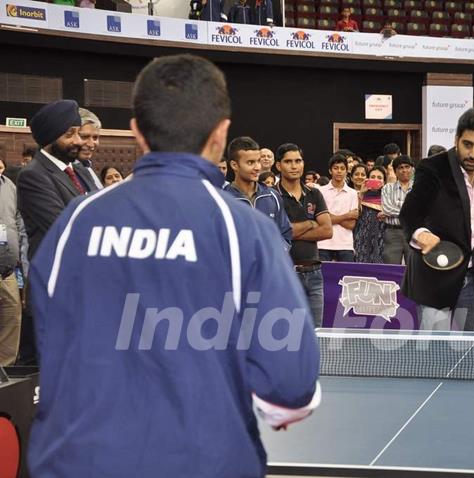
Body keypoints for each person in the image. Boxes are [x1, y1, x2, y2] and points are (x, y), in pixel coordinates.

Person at [27, 54, 320, 477]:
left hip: (75, 461)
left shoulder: (75, 222)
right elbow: (289, 391)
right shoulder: (245, 230)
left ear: (135, 133)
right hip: (201, 461)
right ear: (221, 136)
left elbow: (54, 338)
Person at [400, 107, 474, 332]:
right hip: (434, 277)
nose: (473, 153)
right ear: (456, 139)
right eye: (467, 144)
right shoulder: (433, 168)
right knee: (436, 356)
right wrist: (421, 234)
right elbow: (409, 213)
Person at [18, 99, 99, 260]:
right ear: (50, 138)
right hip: (54, 276)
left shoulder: (81, 170)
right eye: (70, 134)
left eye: (78, 133)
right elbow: (64, 227)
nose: (78, 141)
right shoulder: (33, 176)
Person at [275, 143, 333, 326]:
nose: (294, 166)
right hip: (285, 274)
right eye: (288, 161)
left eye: (298, 161)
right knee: (285, 334)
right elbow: (276, 233)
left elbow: (327, 230)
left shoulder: (314, 193)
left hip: (314, 273)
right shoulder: (271, 196)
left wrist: (290, 231)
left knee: (316, 336)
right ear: (278, 165)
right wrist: (310, 223)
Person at [224, 136, 292, 248]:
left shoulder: (272, 196)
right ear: (234, 165)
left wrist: (275, 256)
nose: (257, 167)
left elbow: (285, 234)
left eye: (258, 161)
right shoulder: (222, 199)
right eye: (250, 163)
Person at [0, 163, 27, 365]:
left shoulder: (8, 185)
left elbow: (17, 219)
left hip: (7, 266)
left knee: (12, 315)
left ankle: (4, 370)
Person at [317, 154, 359, 262]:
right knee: (323, 277)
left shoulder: (353, 193)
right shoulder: (320, 192)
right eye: (336, 168)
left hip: (345, 245)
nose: (339, 171)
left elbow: (351, 224)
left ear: (346, 171)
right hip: (323, 243)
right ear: (330, 171)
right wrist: (347, 215)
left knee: (346, 277)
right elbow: (321, 221)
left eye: (342, 168)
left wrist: (331, 217)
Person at [381, 154, 414, 264]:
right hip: (392, 232)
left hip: (413, 232)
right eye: (400, 168)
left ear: (412, 169)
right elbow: (387, 209)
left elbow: (421, 209)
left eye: (407, 167)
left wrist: (398, 209)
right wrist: (409, 211)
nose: (404, 170)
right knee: (390, 268)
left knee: (413, 269)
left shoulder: (419, 187)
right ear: (395, 171)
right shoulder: (388, 188)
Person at [354, 166, 387, 263]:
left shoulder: (387, 197)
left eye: (379, 178)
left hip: (381, 238)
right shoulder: (358, 195)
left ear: (384, 182)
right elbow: (355, 214)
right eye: (372, 177)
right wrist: (361, 193)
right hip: (362, 238)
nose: (375, 179)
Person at [75, 108, 104, 190]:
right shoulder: (64, 171)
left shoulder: (87, 167)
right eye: (84, 137)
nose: (91, 144)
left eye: (95, 138)